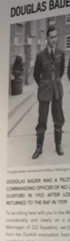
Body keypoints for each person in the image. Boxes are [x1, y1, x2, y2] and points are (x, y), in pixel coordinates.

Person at [32, 26, 66, 159]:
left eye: (56, 37)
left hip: (56, 89)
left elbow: (61, 71)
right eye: (51, 37)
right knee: (42, 118)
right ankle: (39, 147)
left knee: (58, 117)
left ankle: (58, 144)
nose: (54, 40)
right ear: (47, 38)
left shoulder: (61, 53)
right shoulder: (40, 56)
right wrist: (43, 84)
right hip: (44, 89)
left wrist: (55, 82)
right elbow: (36, 74)